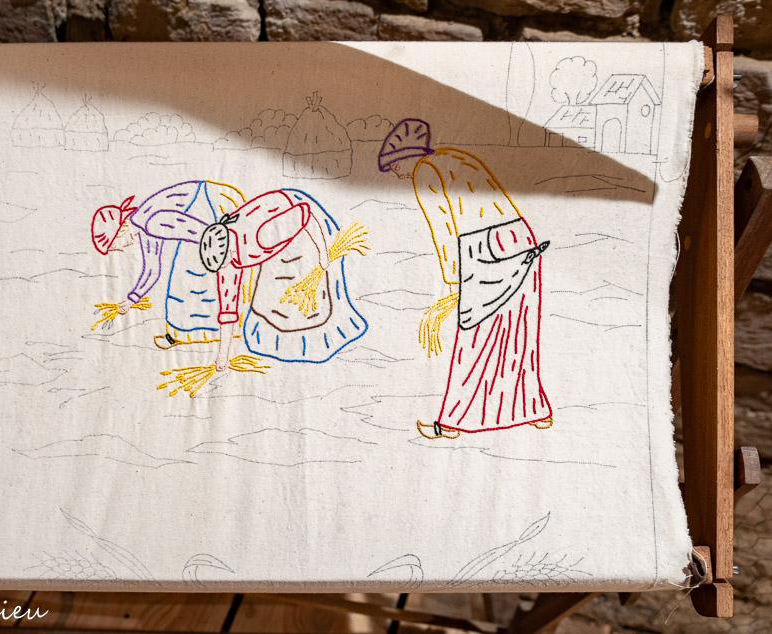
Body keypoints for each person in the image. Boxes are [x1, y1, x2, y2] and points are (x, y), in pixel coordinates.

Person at [378, 118, 552, 438]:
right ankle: (534, 411)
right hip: (520, 238)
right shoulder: (454, 157)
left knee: (475, 337)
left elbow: (445, 230)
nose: (397, 174)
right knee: (517, 334)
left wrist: (452, 287)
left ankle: (452, 422)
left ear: (408, 157)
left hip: (485, 248)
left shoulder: (425, 171)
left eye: (395, 166)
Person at [198, 189, 367, 370]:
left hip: (299, 218)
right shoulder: (226, 261)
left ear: (231, 252)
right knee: (272, 292)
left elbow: (306, 215)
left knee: (297, 280)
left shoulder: (262, 236)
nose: (226, 269)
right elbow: (228, 308)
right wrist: (222, 356)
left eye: (226, 264)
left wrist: (323, 254)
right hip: (275, 227)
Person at [91, 180, 247, 348]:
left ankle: (221, 334)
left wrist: (225, 246)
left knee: (193, 273)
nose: (121, 249)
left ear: (120, 230)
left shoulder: (152, 222)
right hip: (204, 215)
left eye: (115, 245)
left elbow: (195, 229)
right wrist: (132, 299)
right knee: (187, 274)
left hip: (216, 203)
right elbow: (152, 269)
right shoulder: (144, 227)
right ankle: (183, 335)